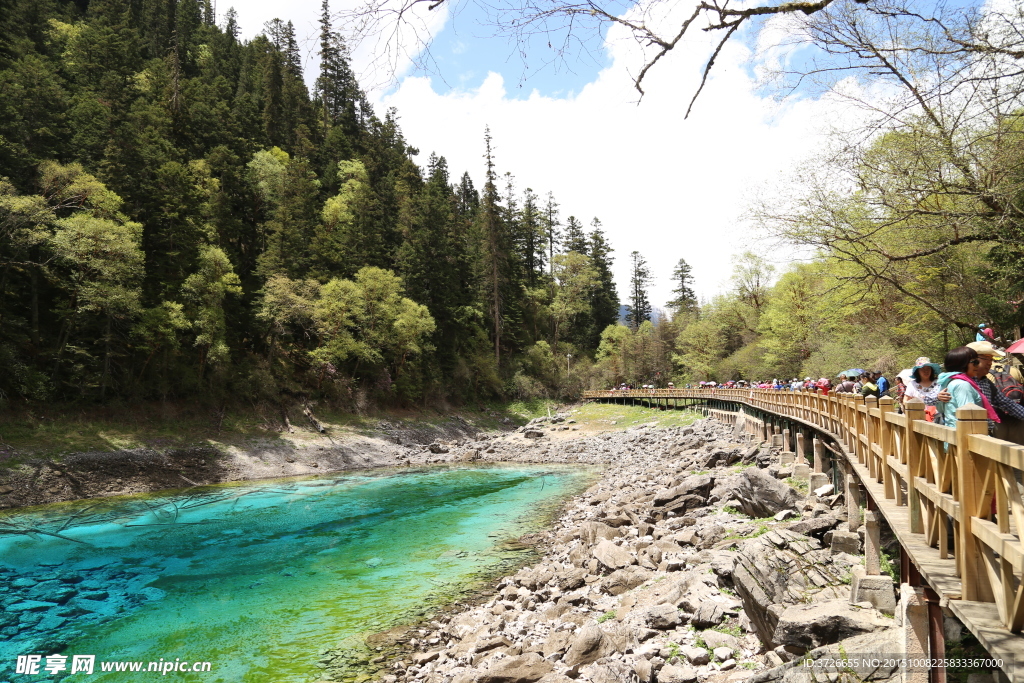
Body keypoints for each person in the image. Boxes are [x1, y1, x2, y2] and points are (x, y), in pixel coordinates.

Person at [937, 346, 1000, 431]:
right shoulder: (963, 385)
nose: (977, 365)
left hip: (954, 434)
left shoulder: (947, 381)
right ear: (962, 363)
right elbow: (969, 415)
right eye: (975, 362)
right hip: (966, 436)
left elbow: (940, 409)